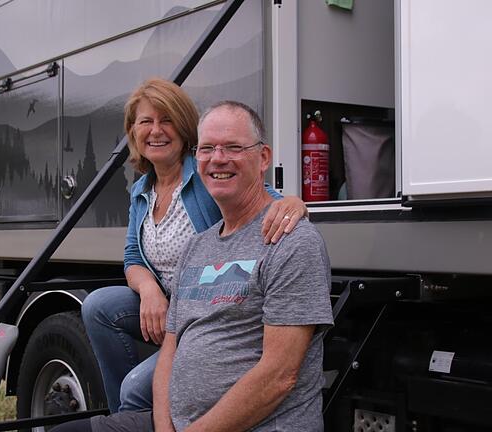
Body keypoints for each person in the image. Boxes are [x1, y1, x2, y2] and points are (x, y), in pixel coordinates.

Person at [53, 101, 333, 432]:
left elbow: (279, 376)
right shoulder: (194, 244)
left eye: (233, 147)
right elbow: (169, 352)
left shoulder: (288, 240)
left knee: (132, 388)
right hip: (176, 422)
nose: (218, 158)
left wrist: (294, 202)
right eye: (209, 149)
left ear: (264, 158)